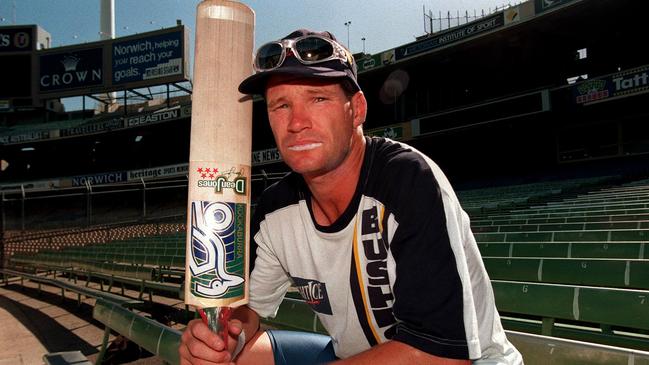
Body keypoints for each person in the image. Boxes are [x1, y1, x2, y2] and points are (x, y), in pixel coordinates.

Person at [179, 29, 523, 365]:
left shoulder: (408, 179)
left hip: (467, 359)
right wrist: (224, 339)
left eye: (318, 99)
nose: (296, 122)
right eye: (280, 105)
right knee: (239, 359)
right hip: (354, 355)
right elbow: (250, 309)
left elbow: (442, 355)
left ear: (356, 109)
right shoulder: (275, 208)